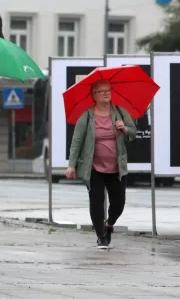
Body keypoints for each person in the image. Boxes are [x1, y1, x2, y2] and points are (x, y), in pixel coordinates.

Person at [66, 80, 136, 248]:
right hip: (93, 167)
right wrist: (71, 165)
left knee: (118, 202)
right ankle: (101, 235)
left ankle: (109, 224)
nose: (106, 93)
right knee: (96, 200)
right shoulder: (87, 115)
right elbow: (77, 141)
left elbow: (133, 133)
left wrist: (125, 128)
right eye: (101, 91)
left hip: (116, 167)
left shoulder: (120, 112)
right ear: (94, 96)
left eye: (108, 90)